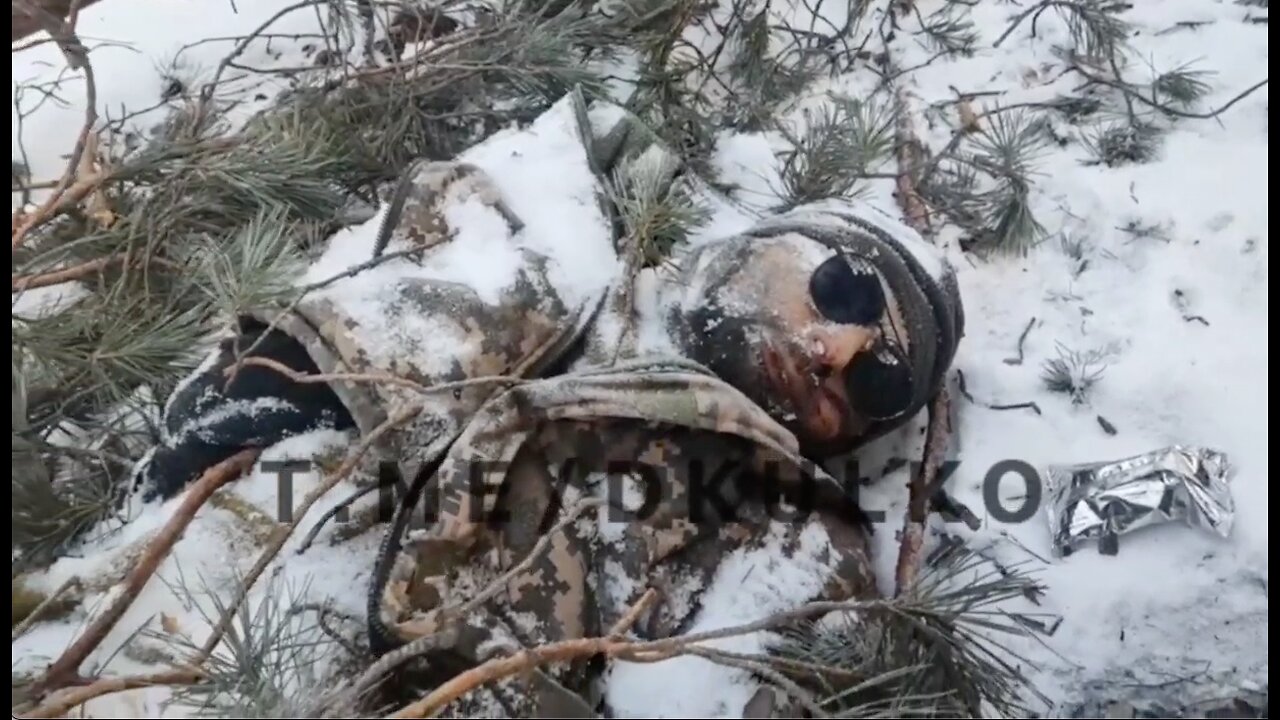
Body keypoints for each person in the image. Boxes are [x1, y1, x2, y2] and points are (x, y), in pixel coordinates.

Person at [127, 89, 964, 717]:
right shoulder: (540, 248)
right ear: (776, 238)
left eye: (879, 384)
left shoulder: (796, 542)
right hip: (170, 593)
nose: (837, 353)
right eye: (843, 291)